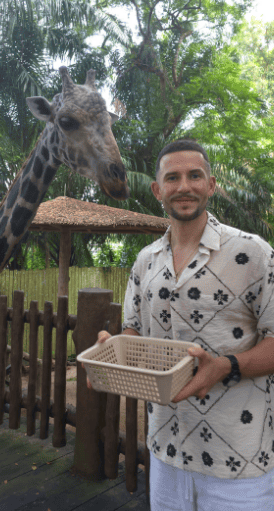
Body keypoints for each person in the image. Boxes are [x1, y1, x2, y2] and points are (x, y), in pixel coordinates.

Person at [89, 139, 274, 511]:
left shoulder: (252, 253)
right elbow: (134, 332)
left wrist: (227, 366)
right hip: (165, 451)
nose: (184, 186)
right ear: (158, 190)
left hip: (239, 459)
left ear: (211, 185)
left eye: (195, 176)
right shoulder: (145, 262)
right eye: (172, 177)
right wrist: (115, 349)